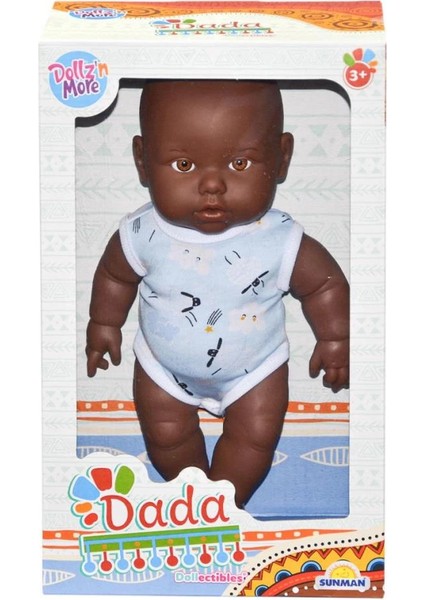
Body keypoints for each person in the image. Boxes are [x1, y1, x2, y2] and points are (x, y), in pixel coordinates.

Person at [86, 80, 349, 509]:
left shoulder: (279, 239)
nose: (213, 185)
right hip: (163, 369)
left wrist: (336, 338)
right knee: (166, 435)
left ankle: (226, 503)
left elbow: (324, 285)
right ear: (142, 162)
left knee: (256, 436)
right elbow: (115, 277)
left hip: (256, 371)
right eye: (184, 165)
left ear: (281, 158)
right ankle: (192, 499)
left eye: (240, 163)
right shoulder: (142, 233)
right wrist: (103, 323)